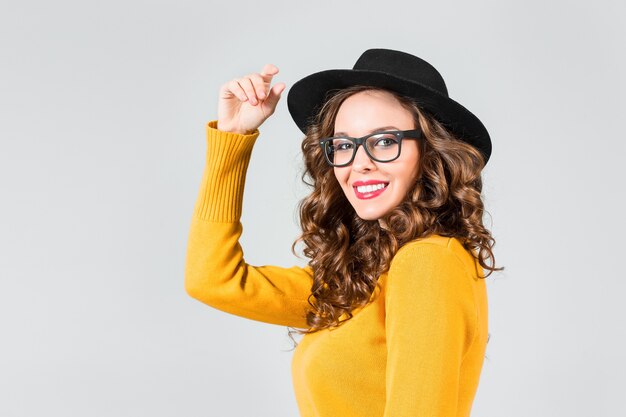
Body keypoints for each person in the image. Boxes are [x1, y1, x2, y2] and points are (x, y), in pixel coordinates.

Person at [185, 48, 503, 417]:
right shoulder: (360, 277)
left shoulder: (428, 262)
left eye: (385, 141)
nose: (360, 163)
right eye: (344, 145)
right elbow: (211, 279)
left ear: (431, 149)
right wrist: (233, 139)